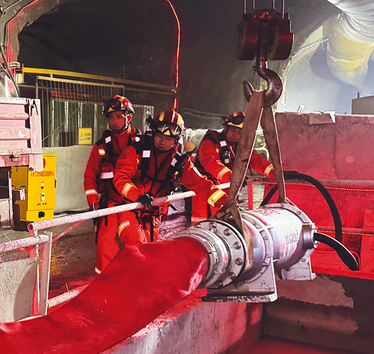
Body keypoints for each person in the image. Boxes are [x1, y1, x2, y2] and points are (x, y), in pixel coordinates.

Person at [112, 109, 228, 248]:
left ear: (176, 140)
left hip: (153, 215)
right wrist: (137, 196)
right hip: (130, 208)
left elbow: (200, 183)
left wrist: (226, 203)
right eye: (159, 136)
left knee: (148, 250)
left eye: (168, 139)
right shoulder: (134, 151)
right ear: (153, 133)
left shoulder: (178, 161)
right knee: (135, 245)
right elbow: (121, 178)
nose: (162, 142)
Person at [83, 95, 142, 273]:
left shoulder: (142, 144)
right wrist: (93, 202)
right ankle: (105, 280)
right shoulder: (100, 146)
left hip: (133, 202)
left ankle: (136, 276)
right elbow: (89, 176)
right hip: (108, 202)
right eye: (111, 117)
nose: (114, 121)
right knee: (105, 242)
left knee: (136, 240)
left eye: (118, 116)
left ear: (128, 117)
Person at [192, 110, 274, 220]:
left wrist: (277, 173)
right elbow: (212, 164)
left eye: (240, 133)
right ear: (225, 128)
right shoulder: (210, 142)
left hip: (226, 193)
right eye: (233, 130)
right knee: (203, 224)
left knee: (226, 223)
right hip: (206, 192)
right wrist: (233, 178)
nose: (235, 135)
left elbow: (256, 161)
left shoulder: (239, 147)